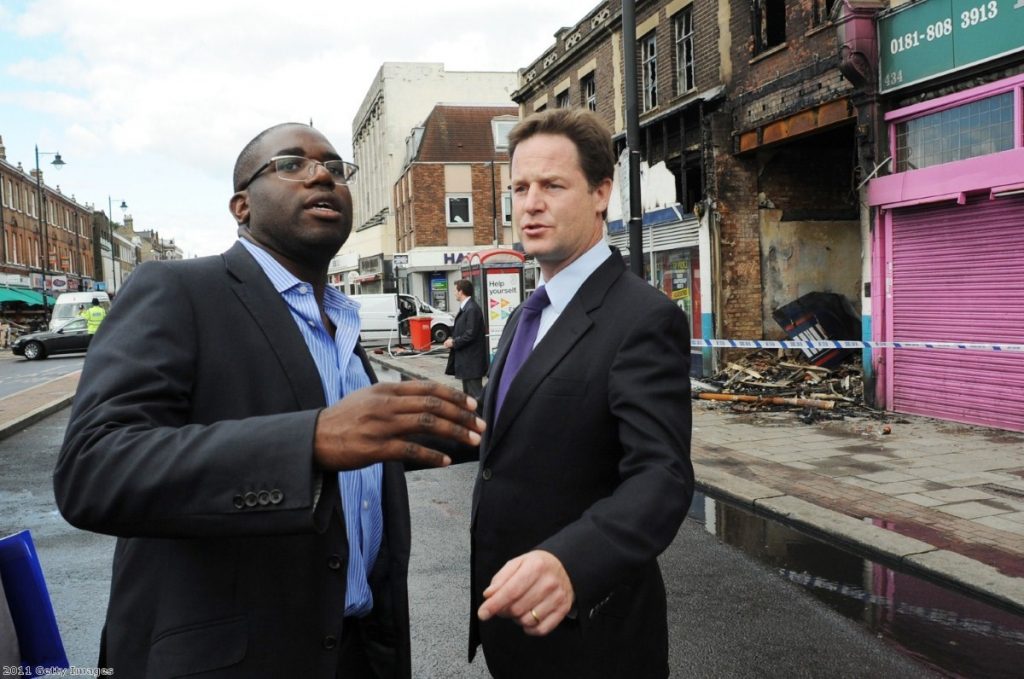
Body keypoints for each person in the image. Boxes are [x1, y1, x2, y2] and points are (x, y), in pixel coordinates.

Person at [54, 122, 485, 678]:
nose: (322, 175)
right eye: (290, 164)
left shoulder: (342, 321)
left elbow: (369, 440)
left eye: (335, 167)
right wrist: (310, 441)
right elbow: (93, 470)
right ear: (242, 206)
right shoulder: (178, 291)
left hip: (361, 651)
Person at [467, 108, 693, 677]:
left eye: (552, 185)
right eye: (519, 187)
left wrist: (572, 560)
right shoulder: (525, 313)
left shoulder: (643, 318)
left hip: (593, 637)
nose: (530, 203)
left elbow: (661, 476)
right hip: (512, 628)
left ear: (601, 194)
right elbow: (520, 435)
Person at [443, 278, 488, 399]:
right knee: (468, 396)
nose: (454, 293)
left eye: (455, 290)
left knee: (476, 396)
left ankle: (484, 417)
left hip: (472, 361)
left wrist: (454, 342)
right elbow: (464, 330)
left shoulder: (472, 308)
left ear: (461, 292)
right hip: (466, 361)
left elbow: (470, 334)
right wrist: (452, 338)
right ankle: (471, 417)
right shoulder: (467, 307)